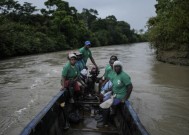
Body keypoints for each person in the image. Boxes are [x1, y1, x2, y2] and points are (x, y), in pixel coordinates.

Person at [97, 60, 133, 128]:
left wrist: (125, 98)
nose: (117, 68)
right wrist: (105, 92)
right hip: (114, 95)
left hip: (120, 97)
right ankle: (104, 116)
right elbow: (113, 86)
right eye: (115, 67)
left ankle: (105, 123)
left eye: (118, 67)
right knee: (102, 98)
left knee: (106, 107)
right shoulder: (115, 75)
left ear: (121, 67)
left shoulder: (124, 76)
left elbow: (130, 87)